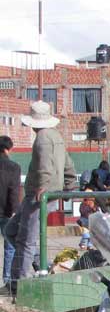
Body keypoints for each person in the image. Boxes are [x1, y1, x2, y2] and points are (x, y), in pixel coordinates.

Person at [8, 101, 76, 294]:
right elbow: (68, 164)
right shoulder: (57, 136)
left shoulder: (43, 138)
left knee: (26, 240)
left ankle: (20, 284)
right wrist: (70, 185)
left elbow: (44, 165)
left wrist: (43, 186)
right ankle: (38, 264)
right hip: (47, 194)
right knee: (11, 230)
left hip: (39, 195)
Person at [0, 137, 21, 290]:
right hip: (6, 212)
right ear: (8, 149)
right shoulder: (13, 167)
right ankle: (8, 280)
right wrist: (13, 211)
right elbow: (13, 191)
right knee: (10, 246)